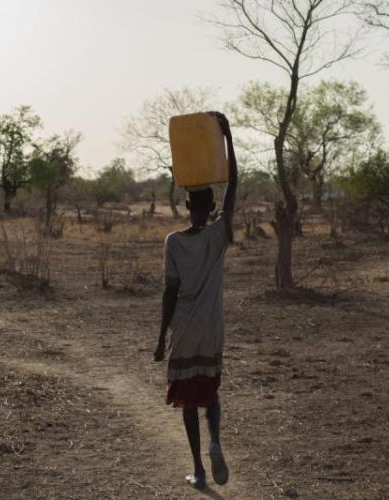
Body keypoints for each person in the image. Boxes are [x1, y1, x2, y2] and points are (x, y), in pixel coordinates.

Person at [155, 111, 237, 490]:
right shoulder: (220, 234)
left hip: (185, 328)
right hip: (213, 327)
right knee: (211, 393)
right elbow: (234, 185)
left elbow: (169, 292)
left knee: (188, 402)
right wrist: (228, 139)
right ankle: (217, 441)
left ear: (187, 205)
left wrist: (160, 340)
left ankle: (199, 470)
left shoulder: (174, 241)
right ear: (212, 205)